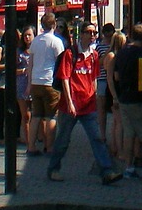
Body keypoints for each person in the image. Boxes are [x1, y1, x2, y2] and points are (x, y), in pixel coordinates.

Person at [46, 22, 122, 184]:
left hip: (88, 106)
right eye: (89, 32)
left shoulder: (94, 55)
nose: (93, 35)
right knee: (63, 140)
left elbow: (93, 78)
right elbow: (65, 79)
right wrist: (70, 103)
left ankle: (107, 171)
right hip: (70, 107)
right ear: (82, 34)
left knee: (97, 138)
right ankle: (53, 168)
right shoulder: (70, 53)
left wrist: (94, 98)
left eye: (95, 32)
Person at [113, 21, 142, 178]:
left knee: (129, 134)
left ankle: (128, 167)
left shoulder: (122, 52)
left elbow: (116, 76)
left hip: (125, 98)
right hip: (140, 98)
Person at [27, 14, 65, 155]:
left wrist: (29, 83)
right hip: (50, 82)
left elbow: (30, 64)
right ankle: (49, 147)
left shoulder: (35, 42)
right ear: (54, 24)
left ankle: (31, 146)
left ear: (42, 25)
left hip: (36, 82)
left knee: (36, 116)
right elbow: (61, 63)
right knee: (51, 116)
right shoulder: (56, 42)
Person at [101, 31, 125, 164]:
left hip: (114, 90)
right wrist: (115, 96)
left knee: (116, 121)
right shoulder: (111, 56)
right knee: (119, 121)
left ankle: (114, 147)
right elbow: (110, 78)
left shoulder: (116, 55)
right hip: (112, 91)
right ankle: (119, 150)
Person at [16, 27, 34, 144]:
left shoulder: (37, 50)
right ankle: (28, 141)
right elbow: (11, 69)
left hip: (34, 83)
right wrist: (24, 70)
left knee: (37, 115)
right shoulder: (19, 52)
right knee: (26, 115)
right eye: (25, 35)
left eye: (29, 35)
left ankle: (38, 138)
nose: (27, 37)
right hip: (22, 84)